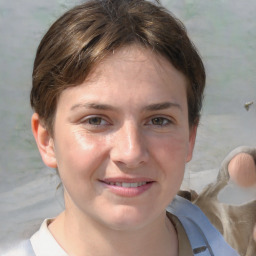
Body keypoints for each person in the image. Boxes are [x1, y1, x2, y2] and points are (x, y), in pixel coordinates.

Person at [3, 0, 241, 255]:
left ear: (190, 138)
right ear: (46, 139)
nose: (131, 153)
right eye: (95, 120)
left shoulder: (223, 237)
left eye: (159, 120)